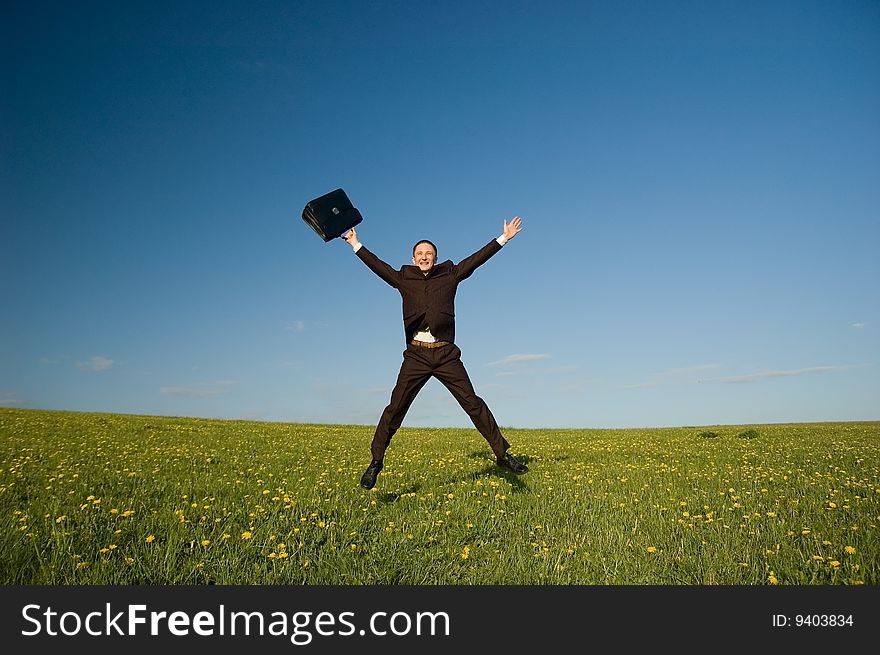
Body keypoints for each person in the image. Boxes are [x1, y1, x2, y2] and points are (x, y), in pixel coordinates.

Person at [344, 217, 529, 490]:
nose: (424, 257)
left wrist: (503, 238)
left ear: (435, 257)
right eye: (419, 254)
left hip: (445, 355)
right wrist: (356, 244)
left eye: (428, 253)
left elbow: (476, 260)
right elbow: (380, 268)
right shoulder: (404, 278)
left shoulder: (450, 274)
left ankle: (502, 455)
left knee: (472, 403)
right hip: (416, 355)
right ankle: (375, 462)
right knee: (395, 408)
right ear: (413, 257)